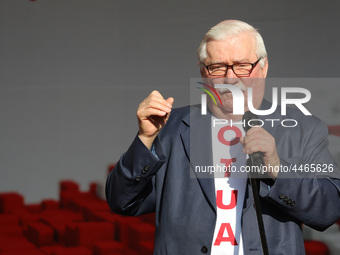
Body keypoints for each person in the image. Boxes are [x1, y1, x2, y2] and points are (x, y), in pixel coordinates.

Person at [106, 20, 340, 254]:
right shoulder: (170, 127)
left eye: (241, 66)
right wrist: (145, 140)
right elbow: (123, 202)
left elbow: (329, 209)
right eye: (217, 67)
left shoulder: (303, 128)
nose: (230, 78)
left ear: (264, 67)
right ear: (203, 73)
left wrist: (277, 168)